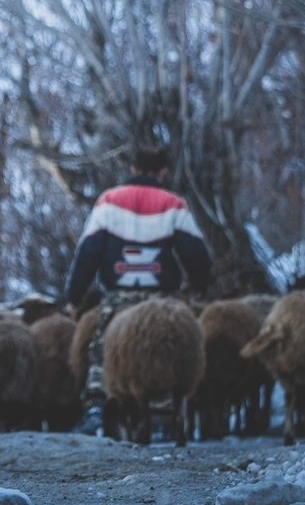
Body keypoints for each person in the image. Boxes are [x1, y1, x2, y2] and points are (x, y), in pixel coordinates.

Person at [63, 146, 211, 432]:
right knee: (169, 347)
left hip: (119, 296)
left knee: (103, 347)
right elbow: (195, 253)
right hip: (161, 299)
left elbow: (88, 253)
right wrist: (200, 285)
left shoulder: (108, 202)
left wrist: (74, 297)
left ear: (133, 170)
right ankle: (165, 413)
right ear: (163, 172)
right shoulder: (174, 204)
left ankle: (97, 405)